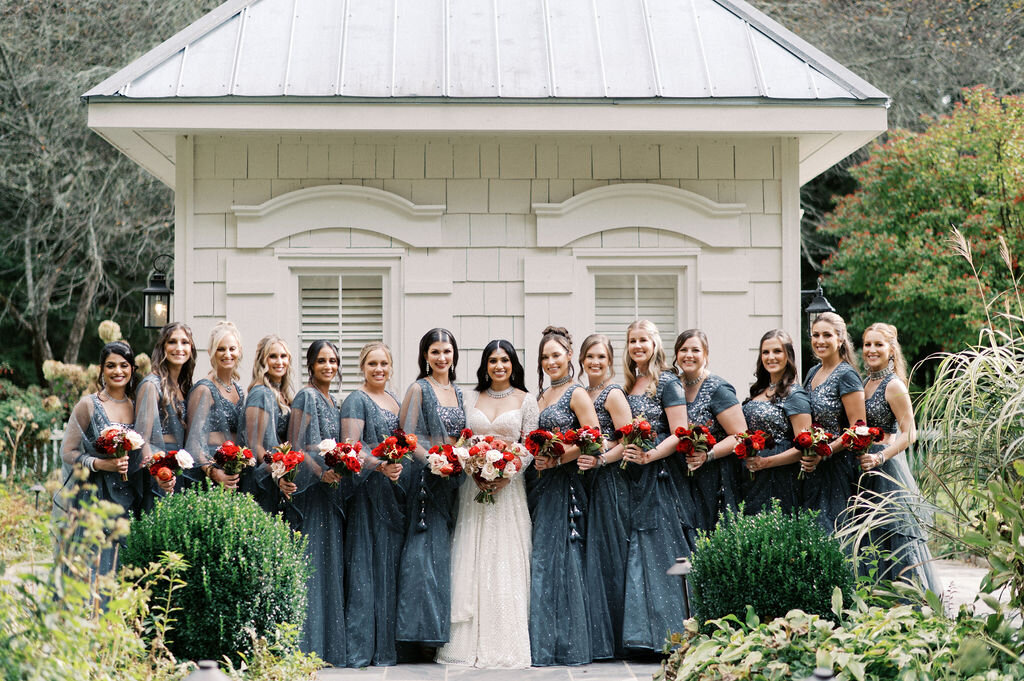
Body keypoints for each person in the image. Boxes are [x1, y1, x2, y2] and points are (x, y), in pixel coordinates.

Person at [437, 340, 537, 669]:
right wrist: (473, 467)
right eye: (493, 360)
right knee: (472, 556)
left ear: (513, 364)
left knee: (505, 557)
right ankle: (465, 644)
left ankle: (505, 641)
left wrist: (508, 473)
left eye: (505, 360)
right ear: (485, 364)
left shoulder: (526, 399)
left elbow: (531, 445)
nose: (498, 366)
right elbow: (463, 442)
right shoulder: (471, 397)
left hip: (510, 490)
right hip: (473, 489)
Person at [618, 320, 699, 653]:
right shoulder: (628, 386)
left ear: (655, 344)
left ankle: (671, 635)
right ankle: (639, 635)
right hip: (630, 478)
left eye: (644, 340)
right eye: (632, 340)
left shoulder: (667, 382)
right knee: (635, 550)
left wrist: (649, 456)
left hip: (660, 477)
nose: (638, 346)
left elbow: (680, 432)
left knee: (662, 550)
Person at [55, 342, 160, 572]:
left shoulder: (137, 406)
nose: (118, 371)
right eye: (111, 366)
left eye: (124, 365)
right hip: (95, 496)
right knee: (95, 562)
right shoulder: (89, 405)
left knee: (123, 563)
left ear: (132, 369)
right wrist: (100, 463)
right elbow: (68, 452)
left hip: (130, 496)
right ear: (101, 370)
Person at [526, 326, 597, 666]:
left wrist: (558, 458)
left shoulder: (576, 392)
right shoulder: (539, 397)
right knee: (541, 557)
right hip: (538, 484)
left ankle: (566, 644)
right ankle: (541, 640)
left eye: (556, 355)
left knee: (560, 557)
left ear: (569, 356)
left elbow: (593, 437)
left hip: (564, 483)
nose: (550, 361)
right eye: (544, 357)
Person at [855, 323, 940, 592]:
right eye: (868, 344)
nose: (871, 350)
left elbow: (910, 433)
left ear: (891, 350)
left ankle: (909, 604)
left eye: (878, 345)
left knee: (894, 537)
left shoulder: (893, 386)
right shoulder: (864, 382)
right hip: (864, 471)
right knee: (869, 538)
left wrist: (880, 457)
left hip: (888, 471)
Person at [396, 329, 465, 653]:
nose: (441, 358)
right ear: (425, 355)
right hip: (425, 481)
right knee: (422, 554)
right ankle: (416, 637)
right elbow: (406, 437)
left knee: (446, 553)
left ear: (454, 355)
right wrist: (435, 462)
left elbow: (462, 437)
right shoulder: (418, 389)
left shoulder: (459, 392)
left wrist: (461, 460)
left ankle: (440, 630)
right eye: (435, 352)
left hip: (455, 483)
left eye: (447, 352)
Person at [282, 339, 347, 666]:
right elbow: (297, 446)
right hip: (312, 495)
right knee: (312, 565)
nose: (328, 366)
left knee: (328, 565)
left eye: (333, 361)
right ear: (311, 365)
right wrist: (320, 473)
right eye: (322, 361)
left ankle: (327, 647)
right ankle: (307, 646)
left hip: (330, 493)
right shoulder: (306, 396)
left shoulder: (333, 400)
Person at [342, 342, 407, 668]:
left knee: (389, 565)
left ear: (391, 367)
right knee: (366, 565)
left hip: (393, 494)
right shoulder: (357, 399)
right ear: (362, 367)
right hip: (367, 494)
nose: (379, 369)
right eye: (372, 364)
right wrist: (380, 465)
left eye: (384, 364)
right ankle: (361, 647)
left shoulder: (396, 400)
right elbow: (353, 448)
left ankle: (388, 648)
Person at [574, 333, 632, 659]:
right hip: (584, 480)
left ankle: (616, 638)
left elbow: (630, 440)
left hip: (610, 480)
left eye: (601, 357)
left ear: (610, 360)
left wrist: (601, 458)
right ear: (581, 360)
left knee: (609, 553)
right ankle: (595, 636)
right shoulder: (583, 392)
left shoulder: (612, 394)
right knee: (589, 553)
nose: (595, 362)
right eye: (589, 357)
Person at [674, 329, 747, 531]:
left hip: (714, 476)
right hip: (681, 474)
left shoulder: (718, 389)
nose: (689, 355)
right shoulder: (673, 386)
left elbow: (740, 435)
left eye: (695, 350)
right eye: (683, 350)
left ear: (705, 355)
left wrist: (708, 455)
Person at [800, 312, 866, 533]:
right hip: (814, 466)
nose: (820, 341)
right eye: (815, 335)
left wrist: (826, 451)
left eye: (827, 335)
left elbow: (859, 428)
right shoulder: (813, 372)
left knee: (835, 531)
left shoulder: (847, 375)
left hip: (839, 467)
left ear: (840, 339)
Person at [739, 330, 811, 514]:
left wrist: (766, 462)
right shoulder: (759, 391)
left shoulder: (795, 395)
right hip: (752, 476)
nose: (771, 357)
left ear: (788, 355)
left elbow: (805, 446)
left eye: (777, 351)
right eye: (765, 352)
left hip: (780, 477)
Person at [135, 322, 196, 493]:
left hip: (180, 467)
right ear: (162, 347)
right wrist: (158, 473)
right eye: (172, 342)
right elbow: (142, 439)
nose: (179, 348)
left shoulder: (184, 386)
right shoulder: (151, 385)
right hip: (159, 470)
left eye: (185, 342)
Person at [186, 321, 248, 491]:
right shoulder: (204, 389)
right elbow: (193, 442)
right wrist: (213, 472)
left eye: (232, 349)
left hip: (235, 471)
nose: (227, 354)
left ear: (239, 351)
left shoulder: (239, 390)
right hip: (210, 471)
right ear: (211, 352)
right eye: (221, 349)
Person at [241, 334, 294, 513]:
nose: (279, 361)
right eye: (273, 356)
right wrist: (277, 474)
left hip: (275, 477)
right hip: (261, 480)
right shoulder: (261, 394)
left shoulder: (282, 393)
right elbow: (255, 445)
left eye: (283, 356)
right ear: (263, 361)